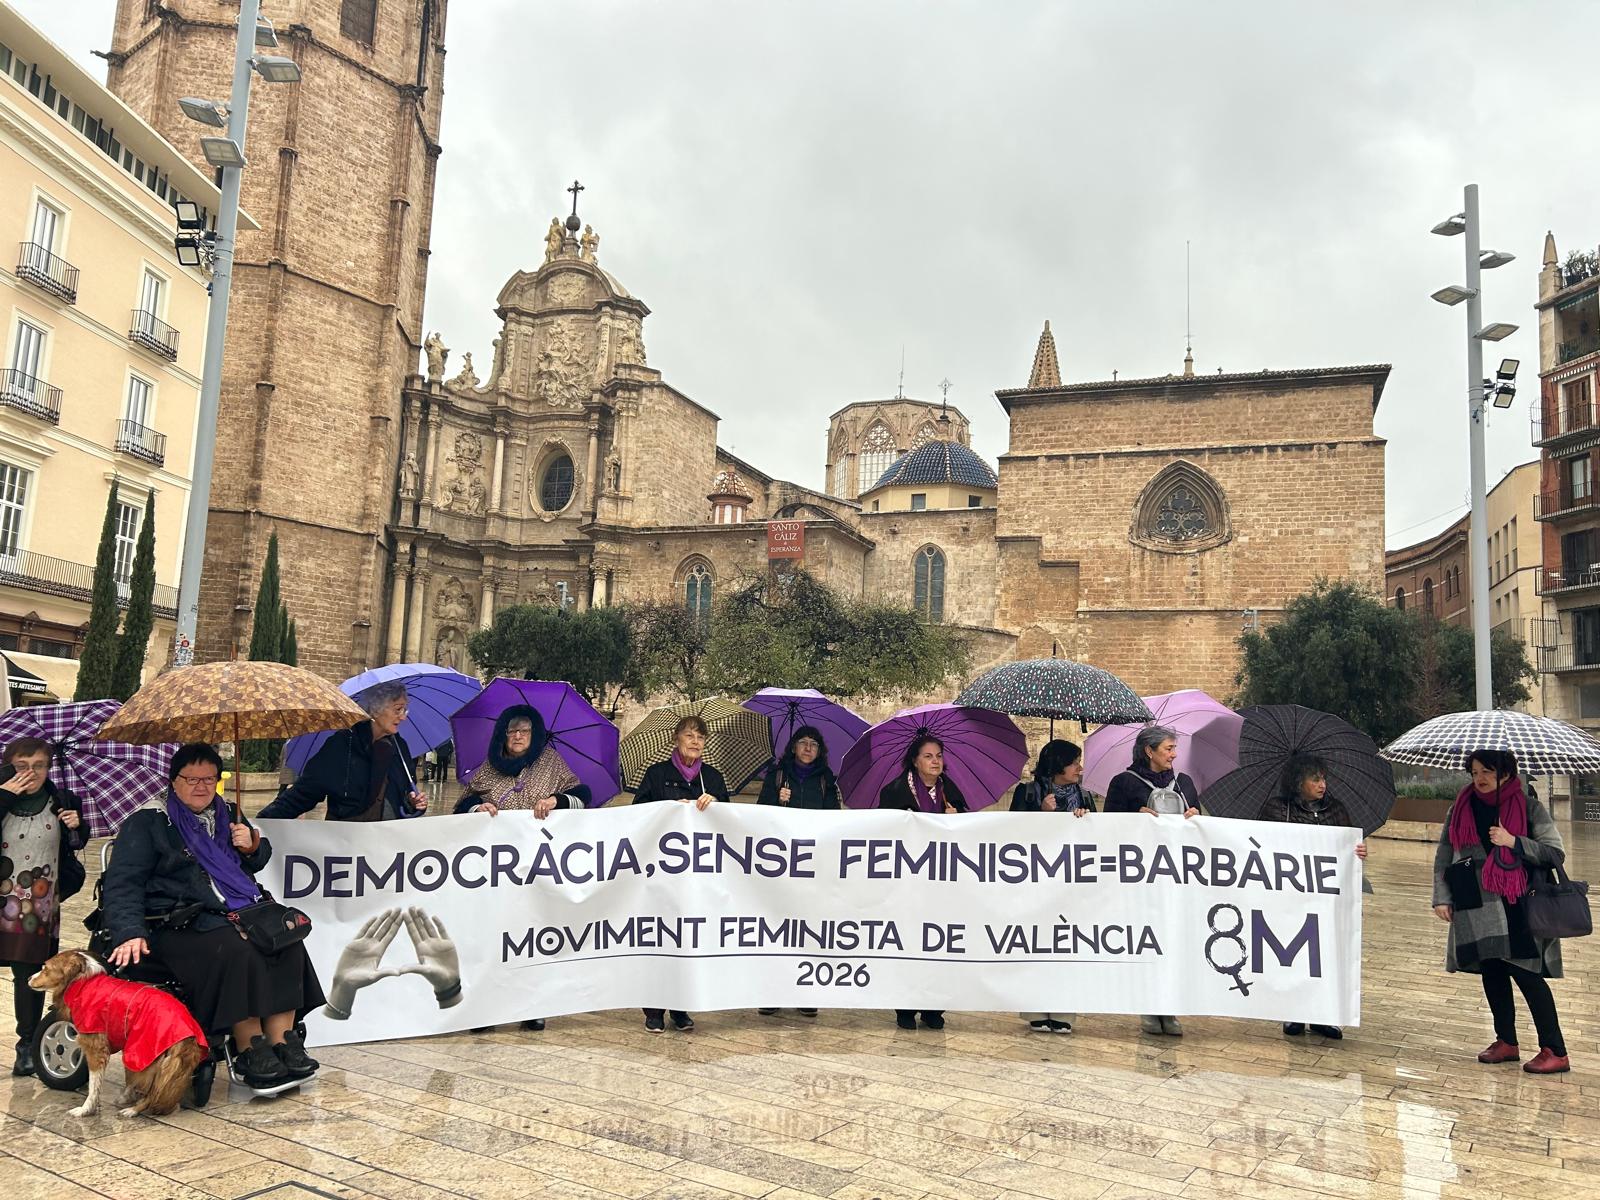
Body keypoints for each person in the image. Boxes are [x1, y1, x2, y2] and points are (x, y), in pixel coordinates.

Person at [101, 744, 324, 1091]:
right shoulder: (149, 821)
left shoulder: (228, 812)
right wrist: (129, 931)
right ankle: (251, 1047)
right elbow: (122, 882)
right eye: (192, 779)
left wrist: (250, 846)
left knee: (285, 941)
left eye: (209, 779)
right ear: (174, 781)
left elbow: (257, 859)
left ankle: (283, 1041)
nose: (201, 787)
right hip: (177, 921)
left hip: (239, 911)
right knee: (237, 950)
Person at [1433, 748, 1571, 1074]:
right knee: (1492, 971)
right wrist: (1442, 896)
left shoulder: (1529, 808)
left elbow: (1555, 853)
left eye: (1487, 772)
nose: (1479, 779)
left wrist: (1514, 841)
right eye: (1475, 772)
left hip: (1516, 905)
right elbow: (1444, 855)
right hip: (1475, 902)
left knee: (1527, 974)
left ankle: (1556, 1050)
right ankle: (1506, 1041)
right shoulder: (1460, 809)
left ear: (1506, 774)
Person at [455, 705, 589, 1034]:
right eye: (512, 730)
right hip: (494, 871)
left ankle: (532, 1005)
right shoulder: (488, 768)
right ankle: (485, 1008)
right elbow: (462, 805)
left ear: (535, 735)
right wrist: (478, 807)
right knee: (491, 936)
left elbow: (582, 795)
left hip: (538, 870)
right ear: (503, 733)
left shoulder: (551, 762)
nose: (517, 736)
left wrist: (557, 800)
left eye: (525, 731)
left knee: (531, 935)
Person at [1256, 753, 1367, 1041]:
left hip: (1326, 899)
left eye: (1323, 778)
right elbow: (1257, 845)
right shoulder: (1277, 810)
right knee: (1292, 953)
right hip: (1288, 896)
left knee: (1326, 953)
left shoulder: (1337, 810)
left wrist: (1358, 853)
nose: (1322, 784)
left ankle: (1323, 1014)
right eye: (1314, 778)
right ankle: (1293, 1012)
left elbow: (1347, 847)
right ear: (1297, 781)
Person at [632, 715, 728, 1033]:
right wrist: (672, 807)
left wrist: (716, 805)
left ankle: (681, 1006)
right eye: (689, 735)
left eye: (701, 736)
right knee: (660, 938)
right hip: (661, 873)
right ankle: (654, 1009)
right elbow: (638, 813)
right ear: (677, 738)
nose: (695, 741)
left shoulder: (712, 778)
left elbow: (731, 820)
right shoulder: (657, 774)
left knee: (689, 938)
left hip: (697, 876)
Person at [1105, 724, 1200, 1037]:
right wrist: (1136, 818)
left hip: (1178, 876)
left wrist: (1194, 818)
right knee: (1148, 942)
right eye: (1168, 748)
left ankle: (1169, 1008)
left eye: (1174, 748)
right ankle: (1148, 1006)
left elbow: (1199, 826)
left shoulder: (1183, 782)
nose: (1174, 754)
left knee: (1175, 942)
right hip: (1141, 877)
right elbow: (1108, 829)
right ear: (1149, 751)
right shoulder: (1122, 783)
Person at [0, 738, 86, 1075]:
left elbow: (76, 846)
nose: (30, 773)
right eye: (22, 766)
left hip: (37, 906)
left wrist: (77, 827)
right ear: (8, 767)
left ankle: (26, 1046)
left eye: (38, 765)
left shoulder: (62, 800)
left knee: (29, 977)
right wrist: (6, 794)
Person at [879, 733, 967, 1031]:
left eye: (939, 755)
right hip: (907, 882)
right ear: (915, 760)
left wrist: (957, 819)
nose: (935, 761)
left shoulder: (950, 791)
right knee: (908, 942)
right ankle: (905, 1006)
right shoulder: (894, 791)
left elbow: (968, 832)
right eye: (928, 756)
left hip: (941, 884)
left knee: (938, 943)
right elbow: (881, 832)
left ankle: (933, 1007)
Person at [1010, 739, 1092, 1033]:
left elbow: (1099, 836)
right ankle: (1035, 1010)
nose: (1079, 768)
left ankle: (1063, 1012)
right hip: (1036, 884)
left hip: (1071, 886)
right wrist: (1040, 815)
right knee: (1035, 945)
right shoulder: (1028, 792)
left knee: (1066, 947)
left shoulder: (1084, 796)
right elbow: (1010, 837)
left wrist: (1086, 820)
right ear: (1057, 764)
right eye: (1073, 762)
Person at [756, 726, 837, 1017]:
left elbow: (833, 819)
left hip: (812, 865)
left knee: (808, 928)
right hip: (780, 865)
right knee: (777, 926)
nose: (807, 748)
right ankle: (773, 990)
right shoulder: (777, 776)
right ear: (793, 747)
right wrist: (779, 799)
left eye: (813, 744)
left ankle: (805, 991)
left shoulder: (827, 779)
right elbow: (759, 814)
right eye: (802, 742)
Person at [260, 682, 428, 821]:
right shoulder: (342, 745)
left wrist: (413, 803)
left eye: (405, 709)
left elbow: (402, 798)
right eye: (398, 709)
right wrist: (262, 823)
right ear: (376, 709)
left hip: (387, 847)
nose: (403, 716)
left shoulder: (400, 748)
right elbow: (304, 793)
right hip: (347, 846)